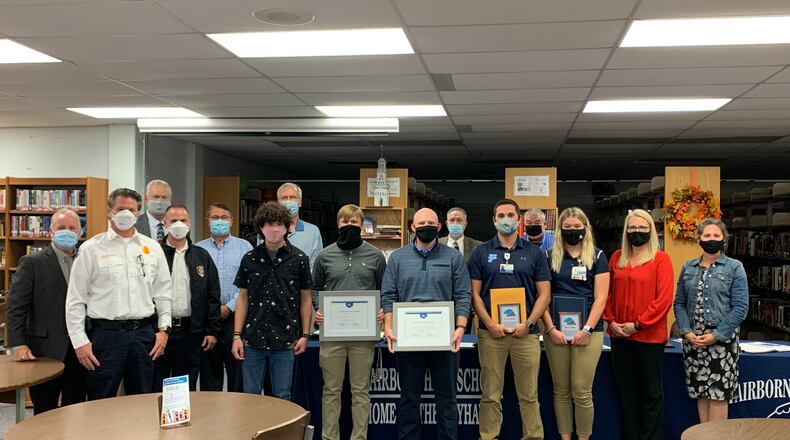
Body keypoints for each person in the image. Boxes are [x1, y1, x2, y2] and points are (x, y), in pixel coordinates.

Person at [65, 188, 172, 400]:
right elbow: (75, 299)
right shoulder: (91, 249)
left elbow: (163, 292)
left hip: (144, 335)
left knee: (142, 399)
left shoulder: (152, 248)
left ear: (138, 213)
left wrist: (164, 330)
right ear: (109, 212)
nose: (125, 214)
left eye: (131, 210)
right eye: (120, 209)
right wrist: (79, 342)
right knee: (100, 399)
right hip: (106, 336)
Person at [381, 207, 471, 440]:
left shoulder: (454, 257)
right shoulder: (397, 258)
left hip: (445, 339)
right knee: (409, 399)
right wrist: (388, 327)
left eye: (431, 223)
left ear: (439, 227)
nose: (426, 227)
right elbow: (388, 295)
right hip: (407, 340)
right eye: (421, 224)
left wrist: (460, 327)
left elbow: (463, 295)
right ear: (413, 227)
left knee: (447, 399)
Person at [468, 199, 551, 440]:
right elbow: (474, 294)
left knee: (529, 394)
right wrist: (489, 324)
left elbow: (544, 294)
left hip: (526, 334)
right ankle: (488, 436)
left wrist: (529, 324)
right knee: (490, 394)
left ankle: (533, 436)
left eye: (510, 215)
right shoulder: (480, 252)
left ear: (519, 219)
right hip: (491, 334)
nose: (506, 219)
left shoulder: (534, 253)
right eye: (501, 216)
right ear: (494, 220)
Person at [313, 204, 387, 440]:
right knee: (331, 390)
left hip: (363, 336)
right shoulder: (324, 256)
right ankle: (330, 437)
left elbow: (384, 290)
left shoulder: (376, 255)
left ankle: (359, 437)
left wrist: (382, 311)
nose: (349, 226)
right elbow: (315, 288)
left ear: (362, 226)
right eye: (345, 222)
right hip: (332, 334)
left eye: (354, 223)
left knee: (360, 391)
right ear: (338, 225)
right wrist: (317, 309)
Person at [603, 208, 674, 440]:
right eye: (632, 227)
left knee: (651, 394)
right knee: (627, 394)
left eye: (642, 227)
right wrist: (611, 321)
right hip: (619, 337)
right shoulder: (616, 258)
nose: (637, 231)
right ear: (626, 231)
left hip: (649, 338)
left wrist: (638, 325)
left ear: (651, 230)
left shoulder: (661, 259)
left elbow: (663, 300)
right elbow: (607, 293)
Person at [6, 208, 86, 413]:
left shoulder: (87, 261)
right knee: (44, 408)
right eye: (61, 227)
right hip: (45, 349)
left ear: (80, 232)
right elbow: (16, 307)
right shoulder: (32, 262)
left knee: (76, 407)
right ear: (51, 232)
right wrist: (18, 344)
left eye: (72, 228)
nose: (67, 232)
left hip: (81, 348)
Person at [231, 202, 313, 400]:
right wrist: (236, 336)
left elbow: (306, 299)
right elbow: (242, 298)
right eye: (269, 224)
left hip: (286, 339)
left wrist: (305, 334)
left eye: (279, 224)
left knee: (282, 395)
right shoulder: (249, 258)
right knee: (250, 396)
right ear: (261, 227)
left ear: (287, 227)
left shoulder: (299, 259)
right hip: (253, 338)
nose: (274, 229)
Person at [541, 207, 610, 440]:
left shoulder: (598, 257)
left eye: (577, 227)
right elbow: (543, 297)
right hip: (555, 331)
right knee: (561, 389)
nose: (572, 231)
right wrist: (550, 329)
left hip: (590, 331)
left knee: (581, 390)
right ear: (560, 229)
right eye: (567, 227)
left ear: (585, 228)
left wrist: (587, 329)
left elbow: (601, 297)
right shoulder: (548, 256)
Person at [674, 218, 748, 424]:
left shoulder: (735, 267)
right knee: (701, 394)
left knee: (718, 395)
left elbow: (741, 307)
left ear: (724, 239)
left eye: (716, 235)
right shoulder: (688, 267)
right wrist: (686, 331)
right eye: (707, 235)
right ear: (699, 238)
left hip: (721, 342)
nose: (711, 239)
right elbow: (679, 303)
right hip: (693, 341)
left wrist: (716, 335)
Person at [154, 204, 221, 391]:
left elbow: (212, 295)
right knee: (156, 382)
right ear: (165, 223)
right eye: (174, 220)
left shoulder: (201, 256)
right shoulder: (154, 253)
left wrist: (212, 330)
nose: (179, 224)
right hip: (160, 332)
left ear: (189, 223)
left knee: (185, 386)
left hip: (191, 331)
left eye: (183, 220)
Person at [196, 202, 253, 392]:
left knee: (237, 374)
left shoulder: (245, 247)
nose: (219, 221)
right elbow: (195, 286)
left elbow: (248, 284)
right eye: (215, 217)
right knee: (209, 377)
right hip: (208, 319)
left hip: (236, 317)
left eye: (224, 217)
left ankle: (239, 410)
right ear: (207, 221)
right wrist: (212, 309)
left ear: (231, 221)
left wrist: (229, 306)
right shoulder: (198, 249)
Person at [277, 182, 323, 272]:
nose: (288, 202)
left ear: (300, 202)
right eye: (284, 198)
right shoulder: (268, 231)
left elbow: (316, 267)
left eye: (292, 197)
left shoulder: (313, 232)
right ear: (278, 203)